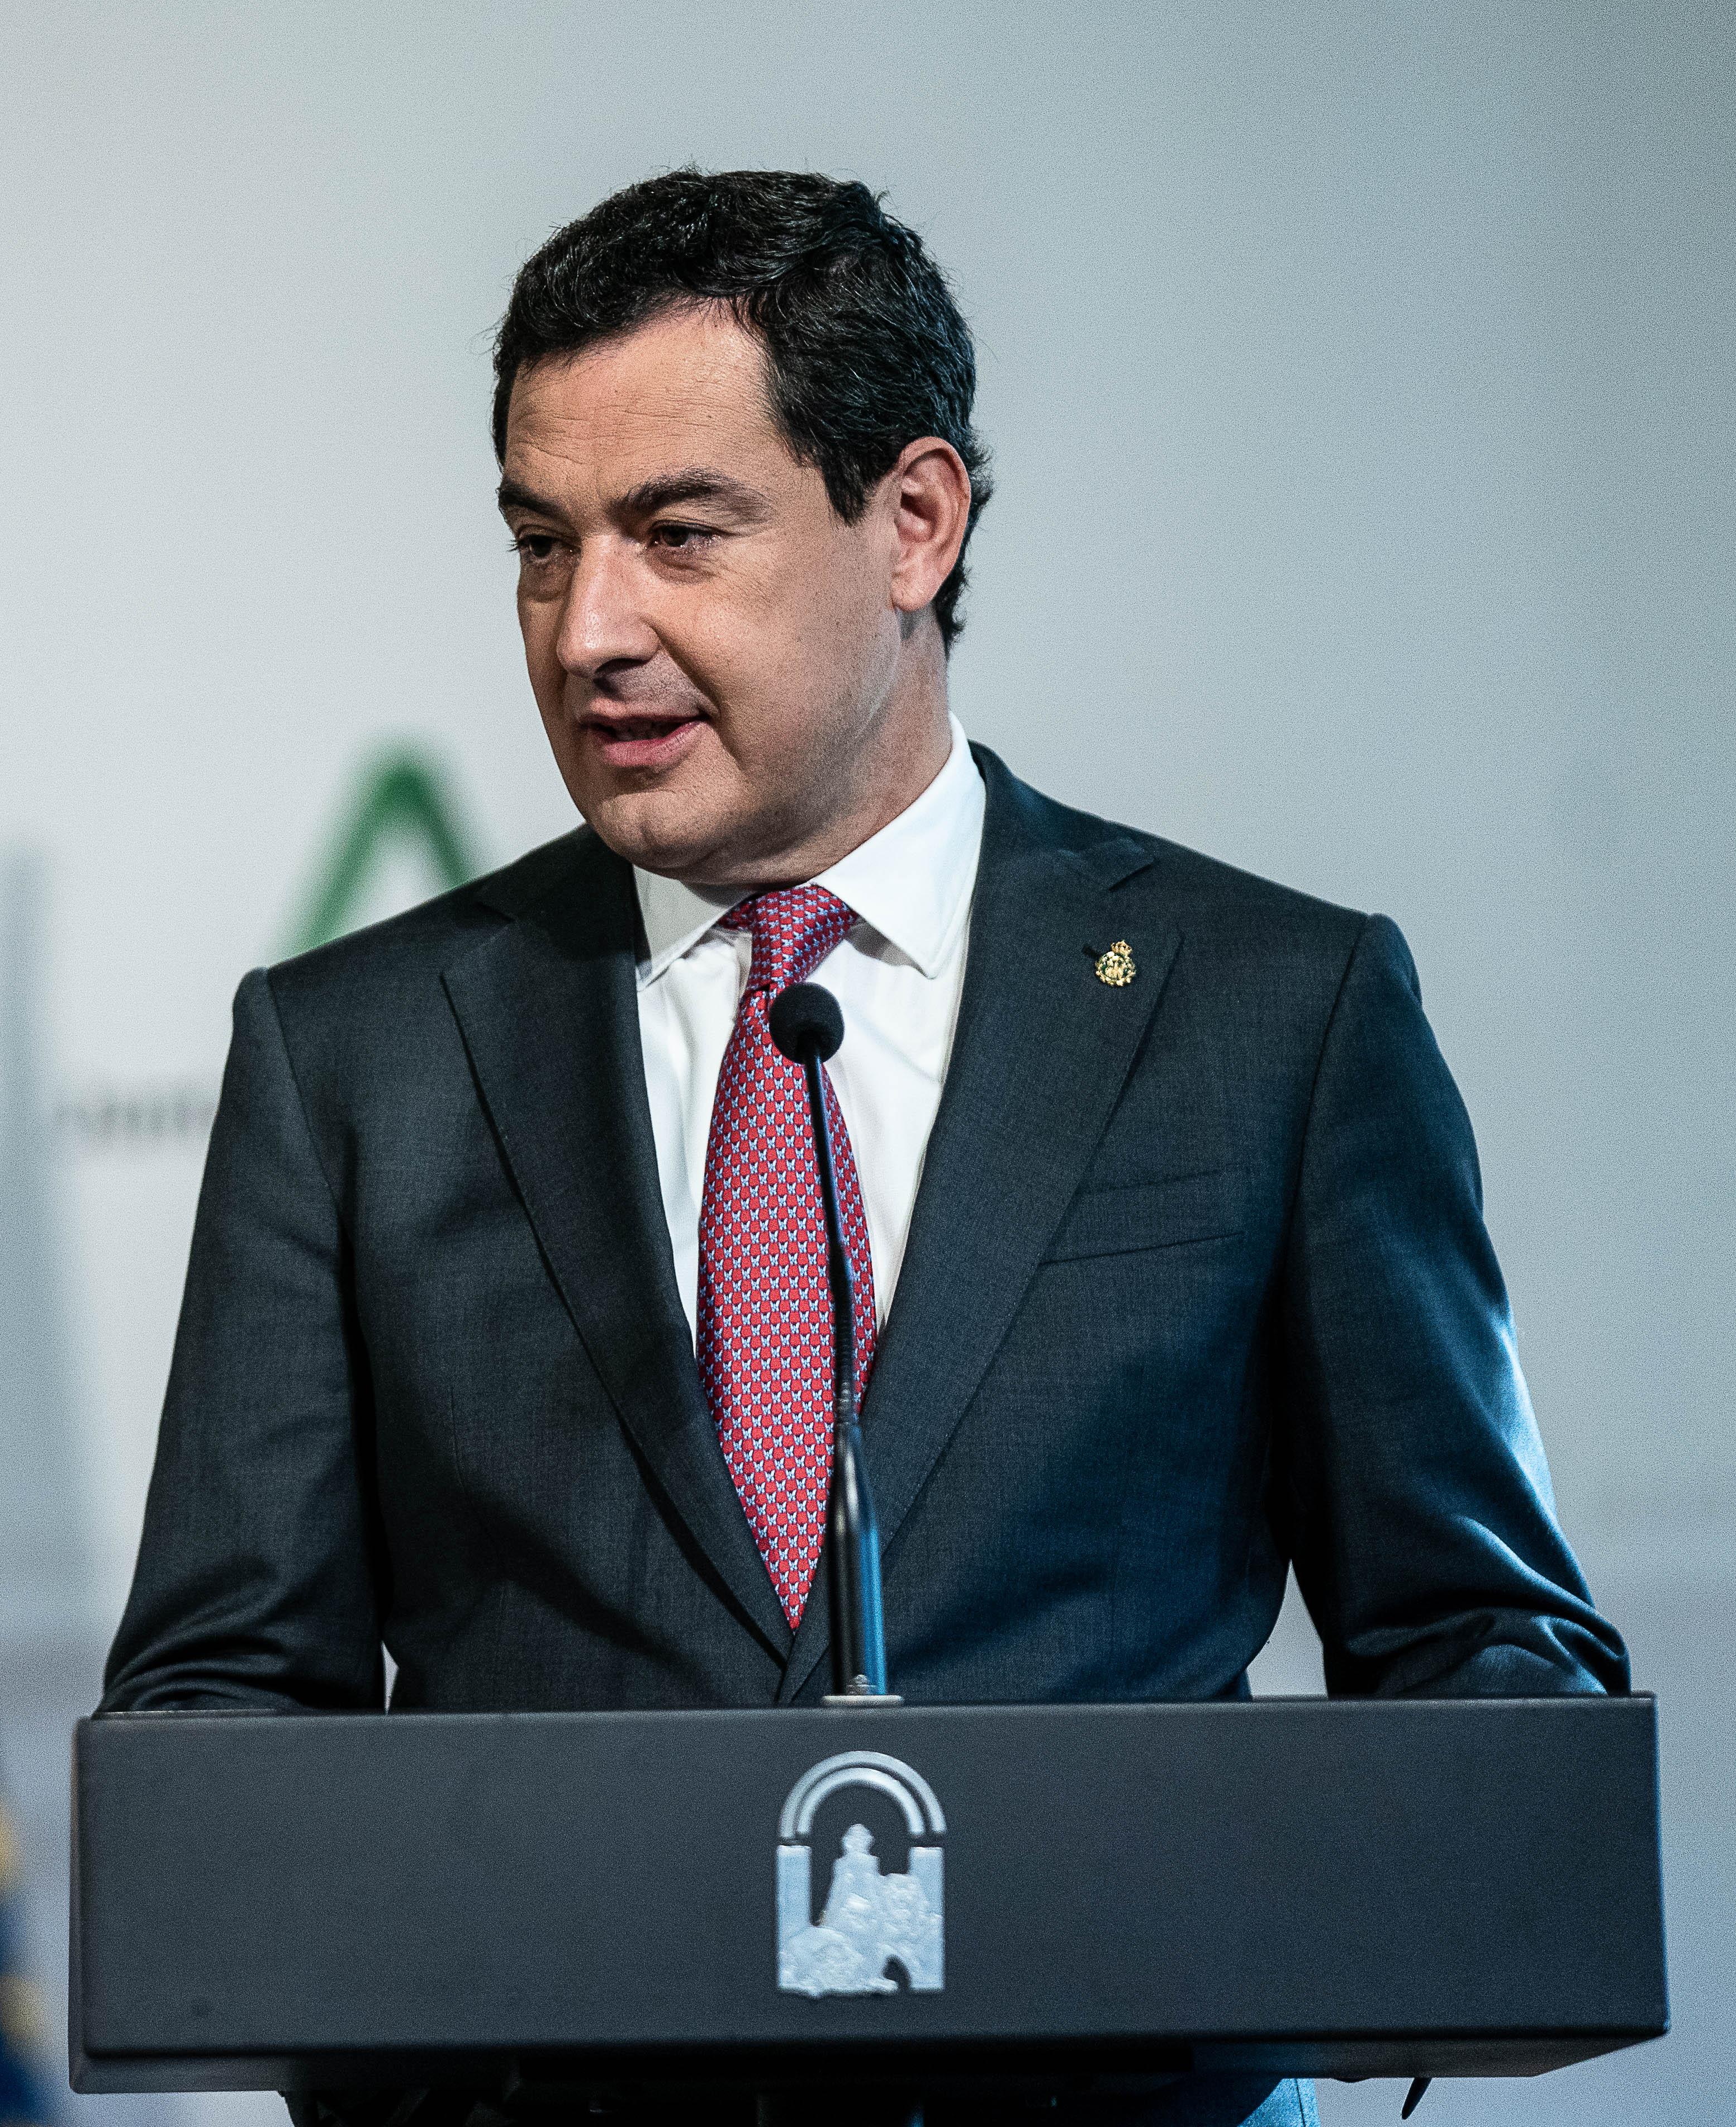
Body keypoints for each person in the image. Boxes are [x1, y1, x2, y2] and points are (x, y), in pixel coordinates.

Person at [98, 170, 1623, 2127]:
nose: (589, 631)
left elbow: (1484, 1639)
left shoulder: (1271, 1015)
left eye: (678, 536)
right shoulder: (355, 1057)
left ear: (914, 520)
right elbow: (221, 1716)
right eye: (541, 547)